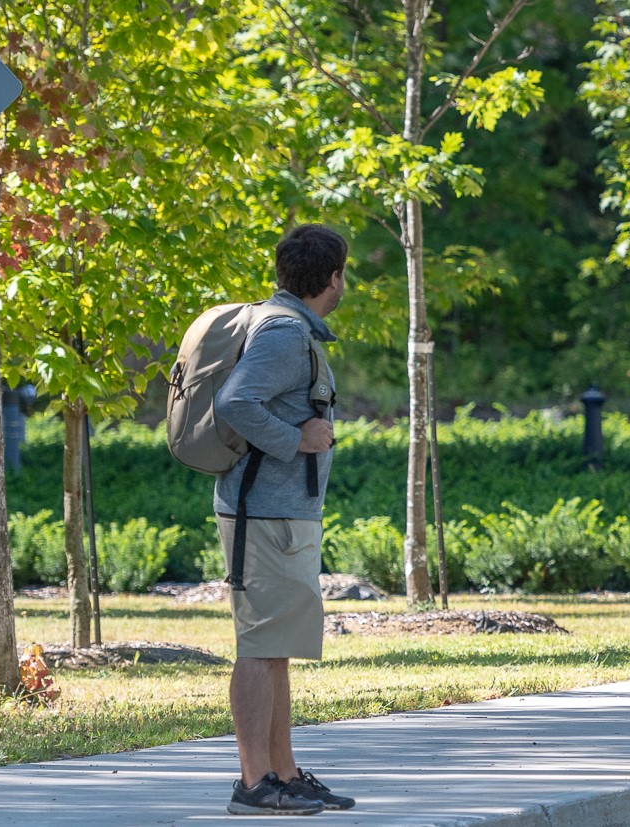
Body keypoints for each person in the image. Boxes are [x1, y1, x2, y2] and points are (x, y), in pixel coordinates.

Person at [215, 224, 356, 816]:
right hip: (264, 513)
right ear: (333, 278)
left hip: (282, 513)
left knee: (275, 647)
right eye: (344, 273)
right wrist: (296, 441)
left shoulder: (290, 328)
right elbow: (235, 402)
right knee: (260, 644)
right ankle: (254, 785)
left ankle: (284, 773)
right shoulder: (284, 334)